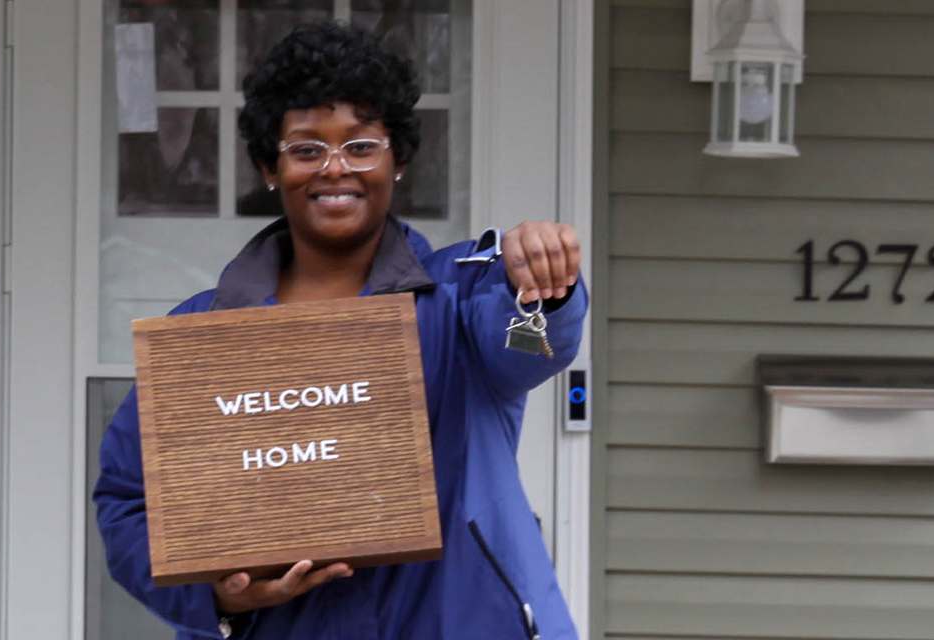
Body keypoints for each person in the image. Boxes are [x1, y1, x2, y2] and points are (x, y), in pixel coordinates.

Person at [93, 21, 587, 640]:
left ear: (398, 158)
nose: (334, 169)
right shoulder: (205, 332)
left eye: (360, 146)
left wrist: (545, 288)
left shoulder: (464, 296)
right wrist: (217, 593)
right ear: (268, 167)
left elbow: (532, 349)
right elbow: (127, 500)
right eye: (305, 149)